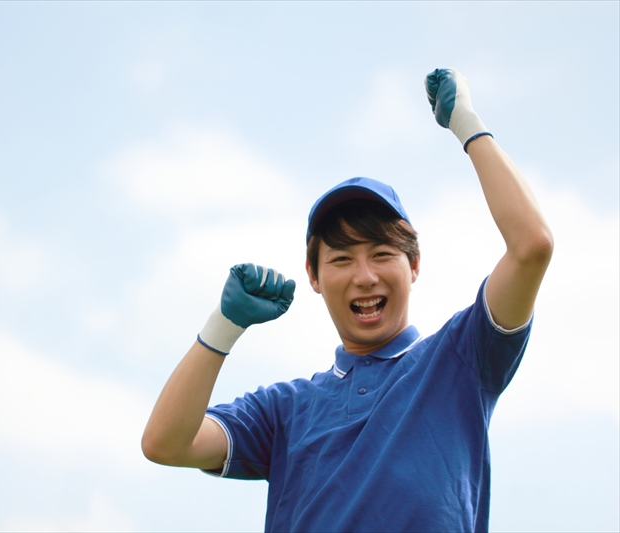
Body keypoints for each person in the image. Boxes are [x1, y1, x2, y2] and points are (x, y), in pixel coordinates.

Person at [141, 68, 553, 532]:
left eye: (382, 254)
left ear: (414, 266)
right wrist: (222, 326)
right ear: (313, 276)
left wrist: (467, 123)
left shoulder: (461, 359)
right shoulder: (285, 409)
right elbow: (166, 443)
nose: (364, 276)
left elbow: (531, 245)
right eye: (340, 260)